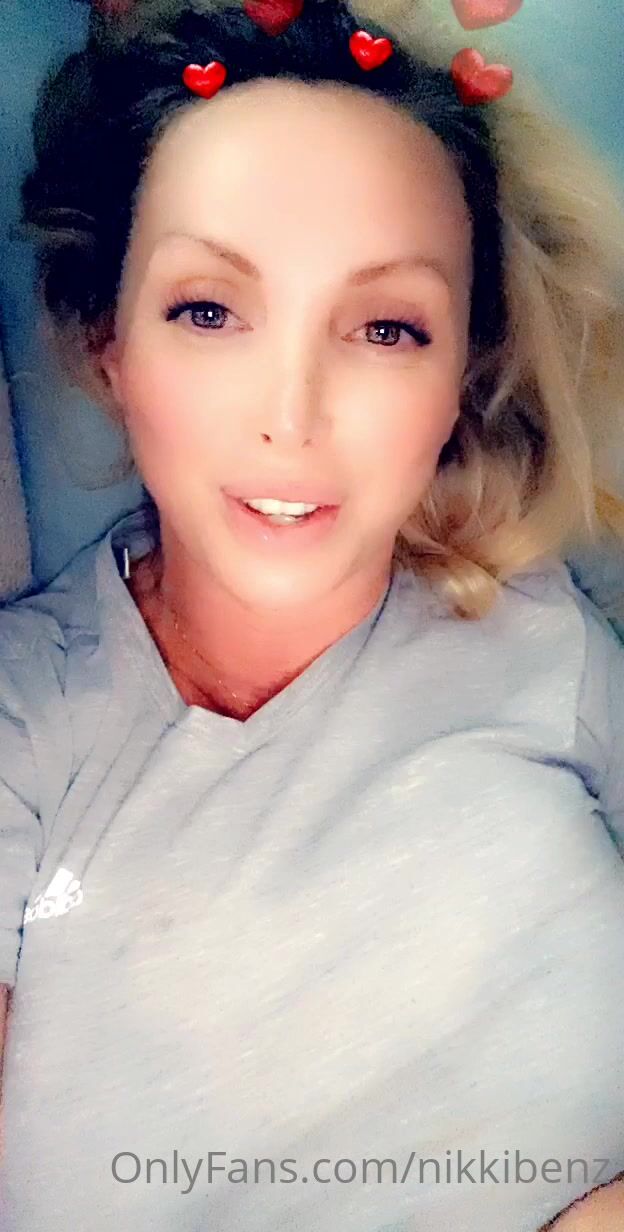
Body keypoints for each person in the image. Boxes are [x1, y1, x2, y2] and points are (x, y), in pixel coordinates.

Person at [1, 0, 623, 1228]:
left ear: (460, 376)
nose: (292, 413)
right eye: (208, 310)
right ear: (108, 345)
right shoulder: (22, 723)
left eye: (387, 327)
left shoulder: (545, 636)